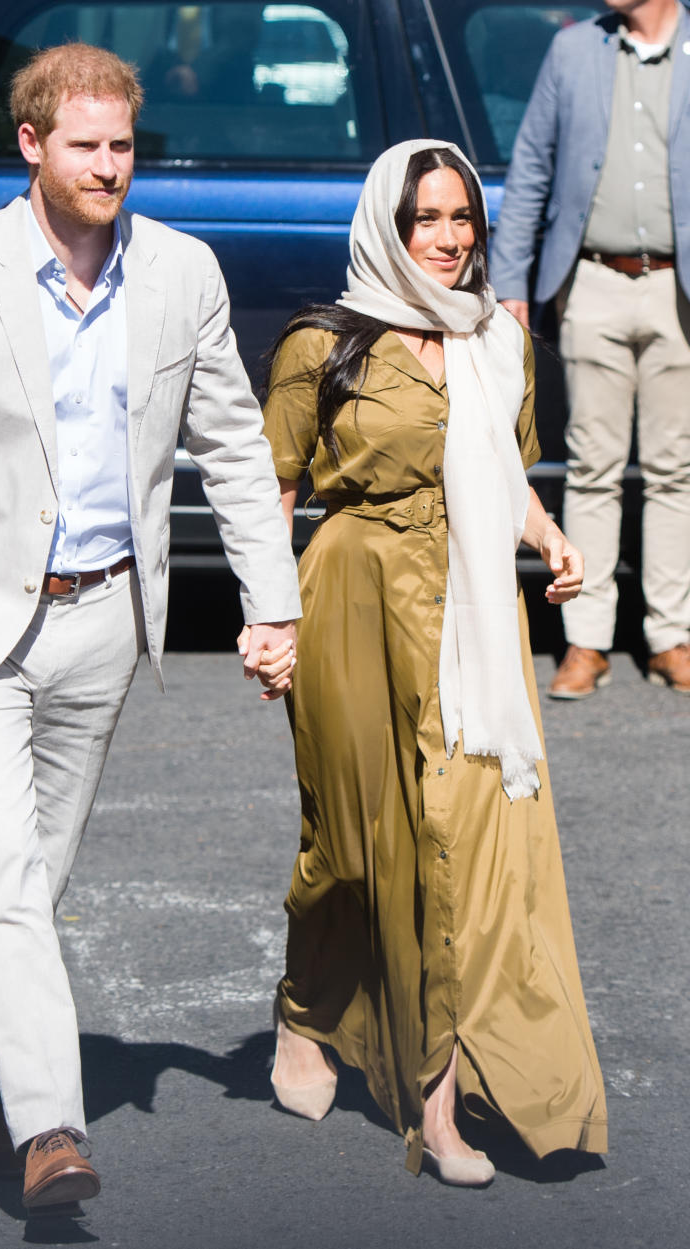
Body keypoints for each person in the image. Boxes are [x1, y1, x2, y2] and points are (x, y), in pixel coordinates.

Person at [0, 42, 301, 1210]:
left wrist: (271, 600)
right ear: (32, 146)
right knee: (2, 856)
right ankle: (47, 1128)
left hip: (103, 616)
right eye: (85, 145)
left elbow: (235, 448)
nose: (109, 167)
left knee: (27, 880)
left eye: (123, 145)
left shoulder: (182, 272)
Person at [261, 140, 607, 1186]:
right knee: (354, 848)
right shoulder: (321, 344)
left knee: (453, 844)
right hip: (354, 605)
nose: (450, 240)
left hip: (471, 614)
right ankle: (306, 1010)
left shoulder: (500, 338)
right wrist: (269, 620)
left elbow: (505, 476)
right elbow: (270, 495)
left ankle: (439, 1108)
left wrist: (548, 539)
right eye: (428, 220)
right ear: (387, 226)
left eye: (464, 219)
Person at [491, 0, 690, 698]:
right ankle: (587, 638)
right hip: (594, 282)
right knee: (593, 465)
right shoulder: (574, 51)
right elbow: (531, 170)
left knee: (677, 469)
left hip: (679, 290)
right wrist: (511, 278)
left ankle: (670, 633)